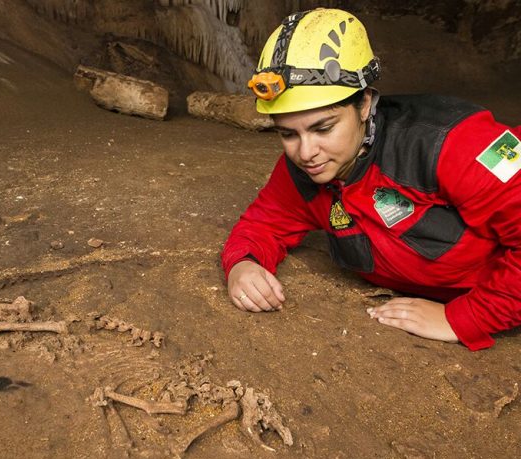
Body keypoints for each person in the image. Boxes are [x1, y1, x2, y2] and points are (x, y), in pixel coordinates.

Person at [222, 8, 521, 350]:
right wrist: (243, 265)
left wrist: (466, 317)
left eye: (323, 128)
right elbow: (261, 226)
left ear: (364, 105)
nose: (305, 152)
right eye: (288, 134)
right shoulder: (303, 171)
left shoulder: (453, 143)